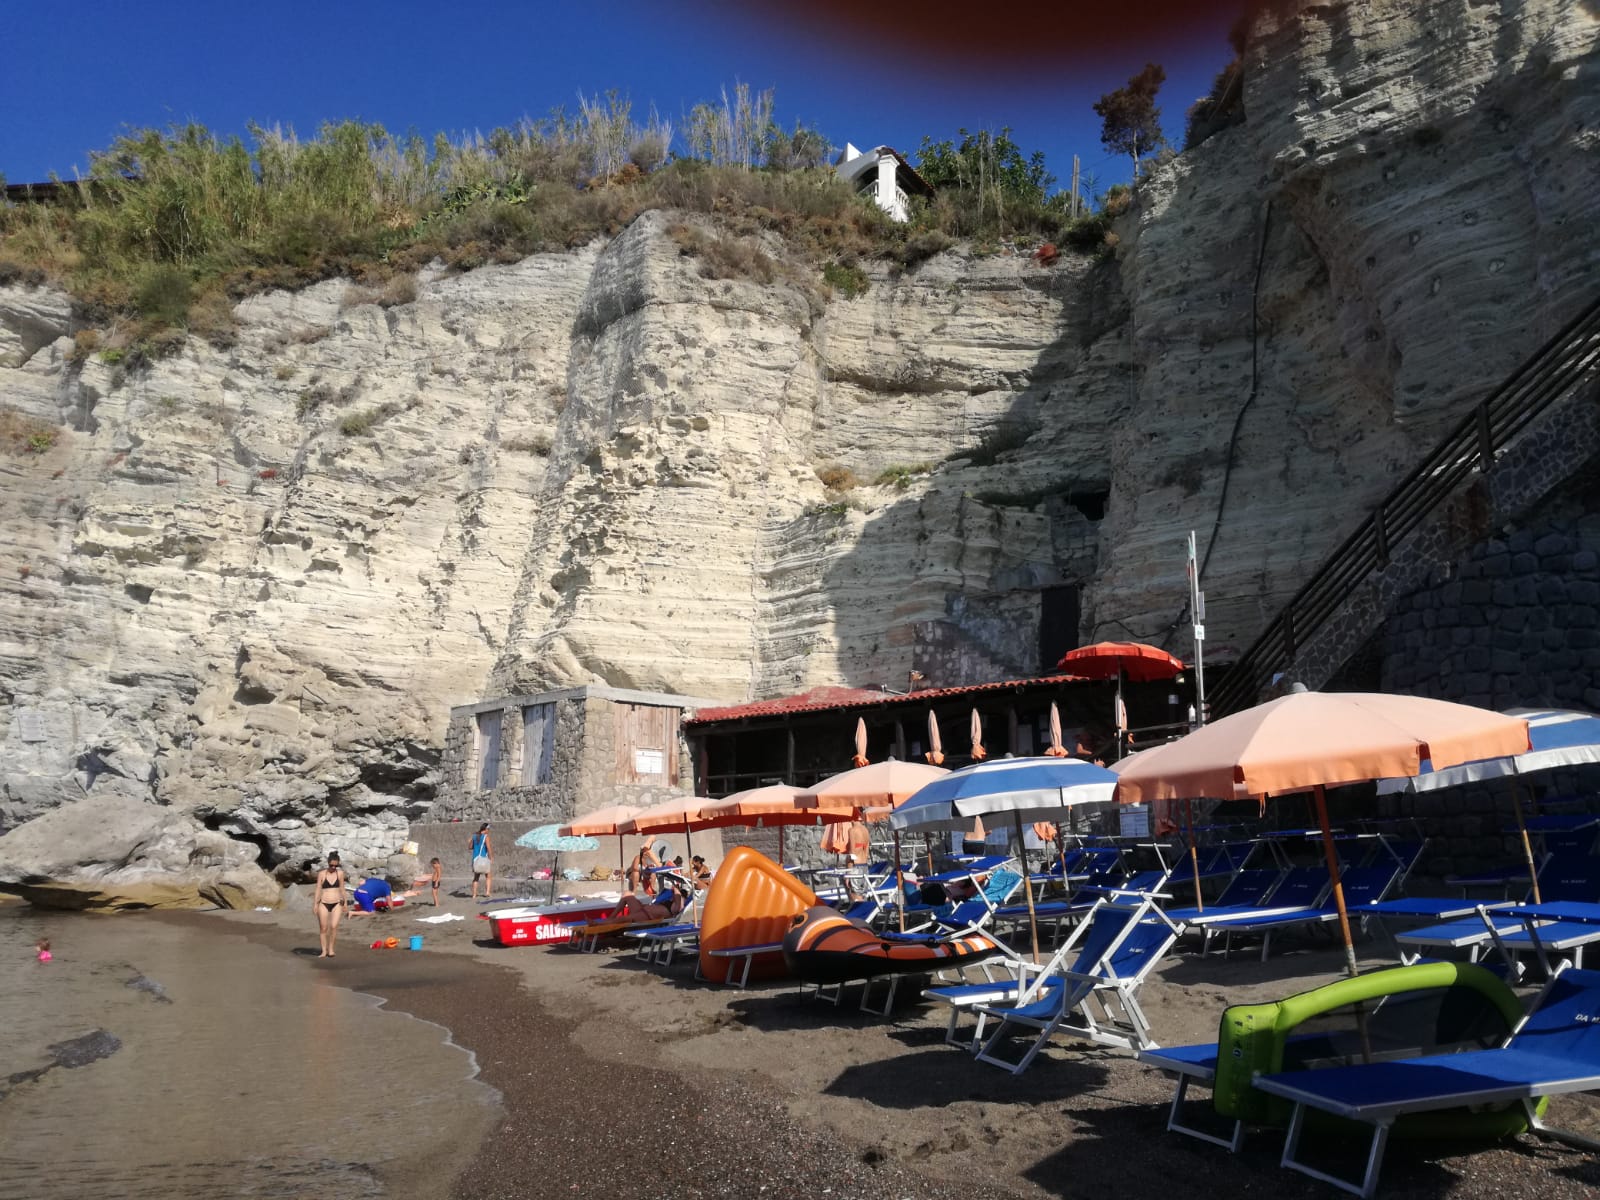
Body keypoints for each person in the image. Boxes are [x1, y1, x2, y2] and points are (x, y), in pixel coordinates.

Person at [314, 852, 347, 958]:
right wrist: (315, 904)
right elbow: (318, 888)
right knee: (323, 928)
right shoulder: (322, 874)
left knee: (333, 926)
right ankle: (324, 951)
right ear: (328, 863)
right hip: (323, 902)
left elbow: (342, 888)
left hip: (337, 903)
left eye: (336, 866)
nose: (333, 867)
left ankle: (331, 949)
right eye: (331, 865)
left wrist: (345, 902)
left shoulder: (340, 874)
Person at [610, 880, 685, 923]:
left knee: (623, 919)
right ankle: (611, 917)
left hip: (647, 917)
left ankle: (602, 924)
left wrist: (676, 888)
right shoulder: (670, 899)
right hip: (642, 910)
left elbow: (678, 903)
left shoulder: (677, 905)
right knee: (627, 894)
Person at [470, 824, 493, 901]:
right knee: (488, 876)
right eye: (488, 829)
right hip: (484, 859)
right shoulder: (486, 837)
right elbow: (488, 848)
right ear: (486, 829)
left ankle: (474, 894)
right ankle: (487, 892)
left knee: (476, 878)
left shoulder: (474, 836)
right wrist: (491, 857)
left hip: (475, 859)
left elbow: (470, 847)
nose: (488, 831)